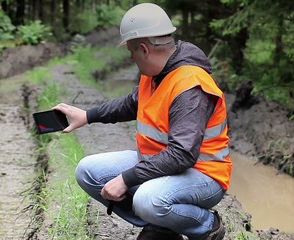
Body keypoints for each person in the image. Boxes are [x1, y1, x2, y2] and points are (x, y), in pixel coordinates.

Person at [53, 3, 232, 240]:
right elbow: (130, 103)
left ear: (144, 50)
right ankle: (161, 226)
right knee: (88, 171)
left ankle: (207, 226)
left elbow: (182, 155)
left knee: (148, 199)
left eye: (131, 52)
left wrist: (126, 179)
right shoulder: (157, 74)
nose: (131, 58)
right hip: (160, 164)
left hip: (203, 176)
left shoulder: (190, 85)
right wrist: (87, 116)